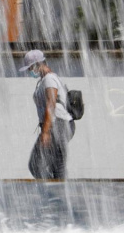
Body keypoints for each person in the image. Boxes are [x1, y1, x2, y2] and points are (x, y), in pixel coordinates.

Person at [19, 50, 75, 180]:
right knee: (56, 165)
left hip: (58, 126)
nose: (29, 72)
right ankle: (58, 193)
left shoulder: (49, 79)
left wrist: (45, 132)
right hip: (58, 125)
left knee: (36, 165)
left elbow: (51, 105)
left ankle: (55, 192)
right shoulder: (46, 79)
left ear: (38, 64)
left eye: (30, 68)